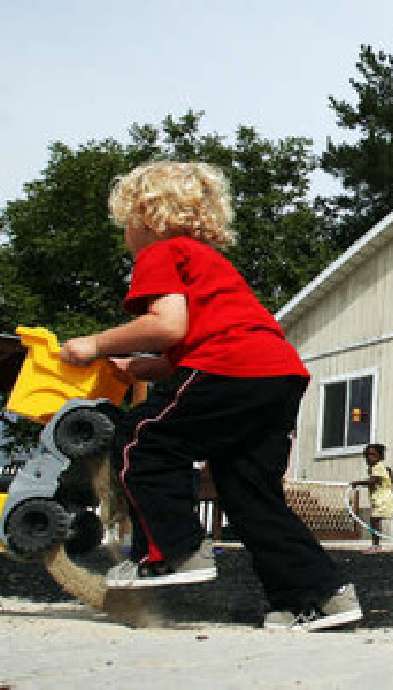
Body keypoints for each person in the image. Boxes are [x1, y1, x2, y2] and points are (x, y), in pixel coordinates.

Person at [60, 160, 361, 631]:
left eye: (125, 226)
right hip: (277, 375)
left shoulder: (161, 254)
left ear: (146, 218)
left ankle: (172, 551)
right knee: (249, 493)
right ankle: (318, 597)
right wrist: (142, 367)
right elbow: (206, 342)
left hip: (233, 369)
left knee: (144, 436)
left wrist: (94, 344)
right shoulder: (212, 264)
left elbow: (167, 326)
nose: (125, 236)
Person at [351, 443, 393, 553]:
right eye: (367, 455)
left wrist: (357, 482)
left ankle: (375, 546)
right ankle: (376, 545)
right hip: (381, 498)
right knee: (375, 521)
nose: (370, 457)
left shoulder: (377, 467)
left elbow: (373, 481)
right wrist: (391, 486)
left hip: (383, 499)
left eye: (373, 455)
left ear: (380, 456)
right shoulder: (380, 468)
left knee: (374, 521)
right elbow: (388, 472)